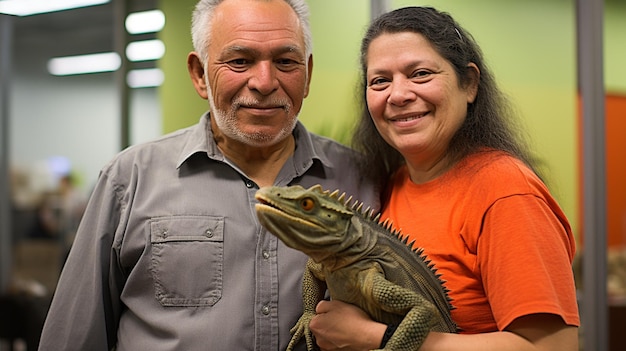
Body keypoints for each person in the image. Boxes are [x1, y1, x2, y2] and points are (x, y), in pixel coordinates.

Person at [37, 0, 378, 350]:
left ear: (306, 73)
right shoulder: (129, 180)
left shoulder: (362, 181)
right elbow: (72, 339)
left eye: (285, 62)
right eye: (240, 61)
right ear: (199, 74)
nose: (264, 82)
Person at [308, 6, 580, 351]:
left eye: (420, 73)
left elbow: (554, 347)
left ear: (469, 84)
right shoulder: (391, 185)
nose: (399, 94)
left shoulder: (505, 190)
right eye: (380, 80)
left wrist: (372, 338)